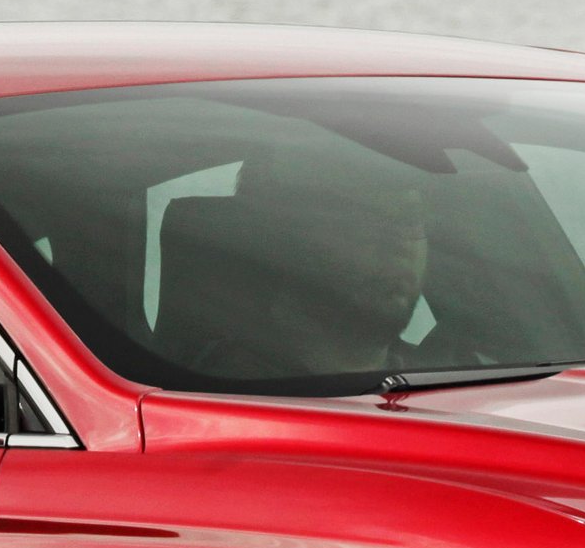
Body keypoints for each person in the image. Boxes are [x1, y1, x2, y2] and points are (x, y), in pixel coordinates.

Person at [157, 138, 435, 383]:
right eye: (366, 221)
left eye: (409, 221)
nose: (398, 243)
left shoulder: (445, 380)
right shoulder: (222, 393)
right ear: (290, 239)